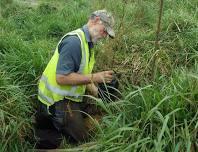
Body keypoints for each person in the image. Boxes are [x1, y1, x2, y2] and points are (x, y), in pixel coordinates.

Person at [35, 10, 116, 149]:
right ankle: (55, 131)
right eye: (105, 31)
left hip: (66, 96)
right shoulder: (74, 42)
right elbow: (61, 78)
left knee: (86, 119)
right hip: (55, 101)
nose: (105, 36)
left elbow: (82, 74)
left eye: (107, 34)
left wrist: (98, 95)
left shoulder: (88, 43)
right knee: (81, 140)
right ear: (96, 20)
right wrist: (96, 77)